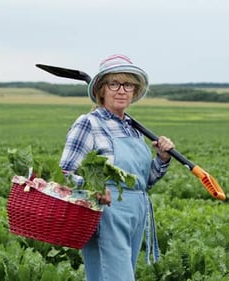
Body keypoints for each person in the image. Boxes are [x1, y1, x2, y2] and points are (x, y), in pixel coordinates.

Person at [59, 54, 175, 281]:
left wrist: (161, 159)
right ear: (102, 89)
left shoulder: (133, 129)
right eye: (114, 83)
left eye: (128, 84)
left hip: (136, 212)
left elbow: (143, 182)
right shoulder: (89, 123)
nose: (121, 90)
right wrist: (93, 187)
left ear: (134, 91)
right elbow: (66, 172)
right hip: (106, 212)